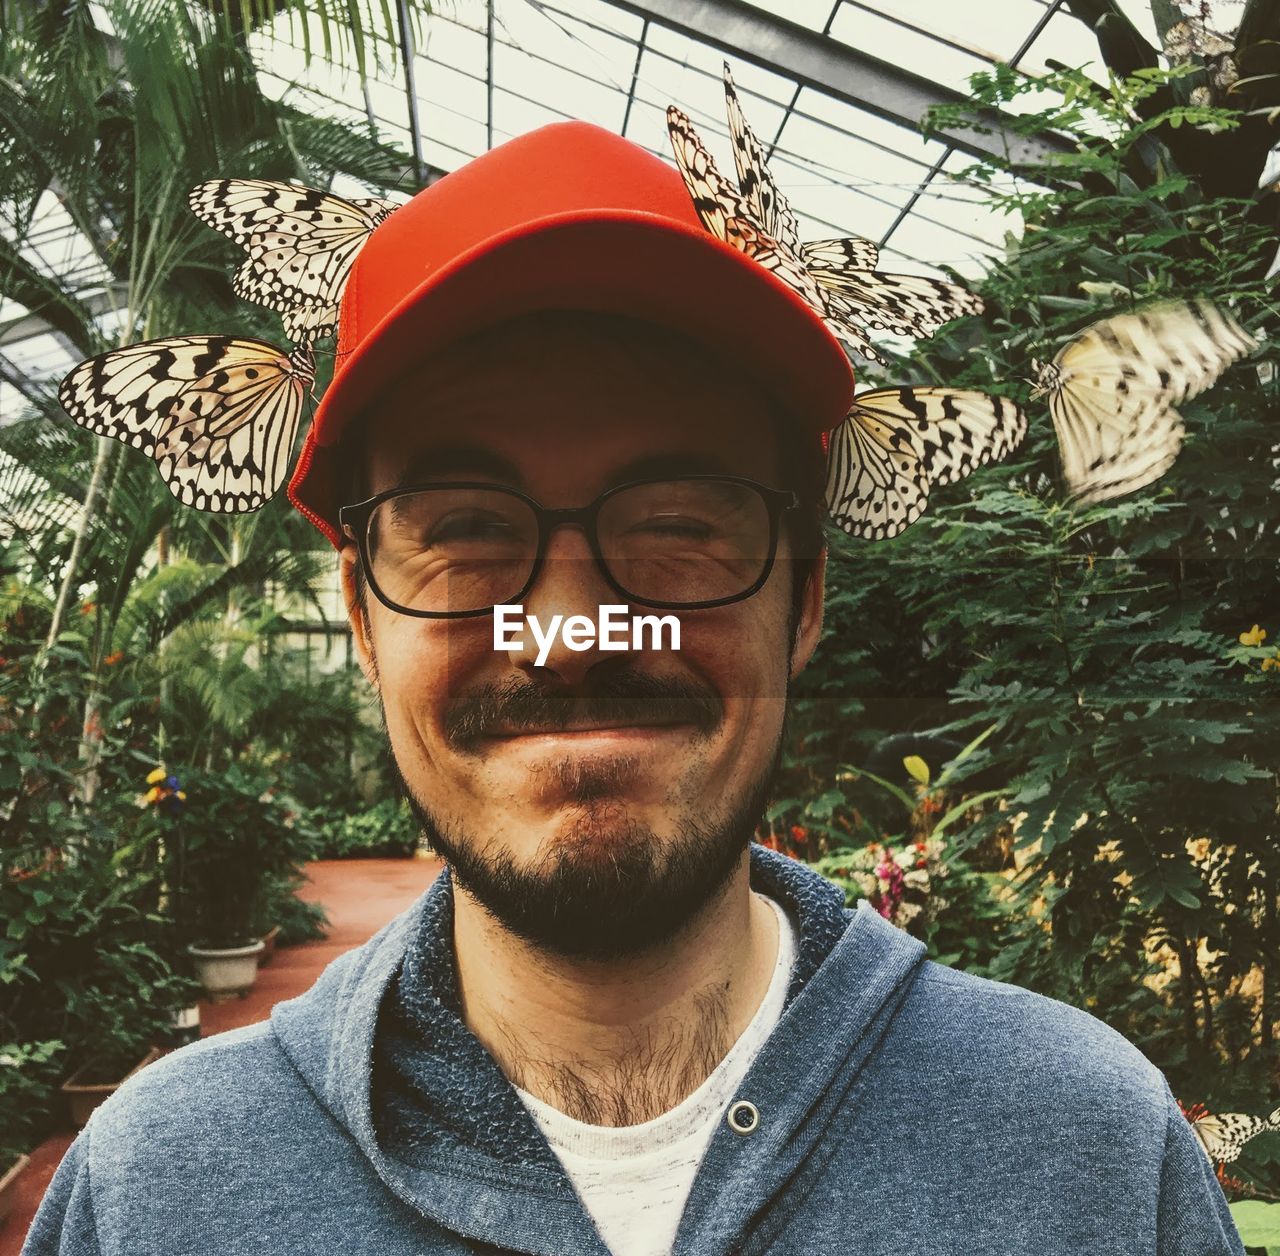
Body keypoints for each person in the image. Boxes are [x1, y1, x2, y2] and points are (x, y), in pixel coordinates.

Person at [24, 121, 1242, 1256]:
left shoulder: (1085, 1156)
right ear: (360, 611)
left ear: (802, 597)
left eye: (675, 524)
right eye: (464, 527)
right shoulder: (159, 1191)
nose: (564, 631)